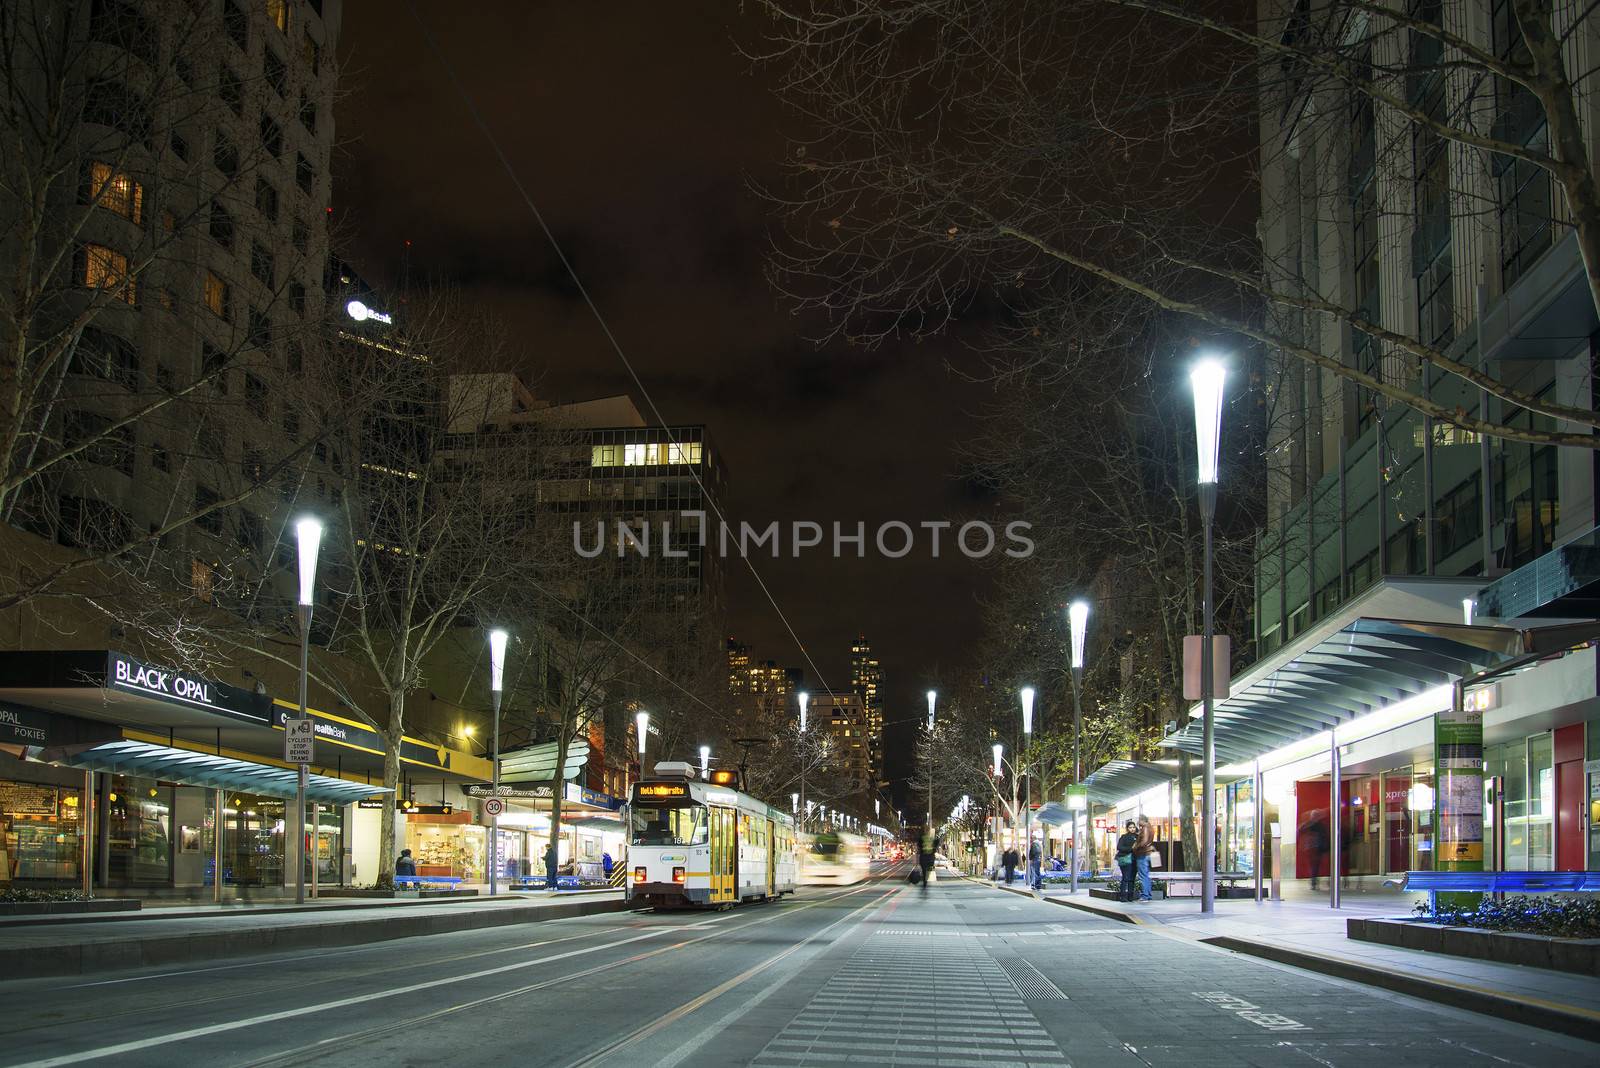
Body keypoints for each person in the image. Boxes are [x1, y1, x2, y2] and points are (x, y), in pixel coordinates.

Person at [1300, 812, 1329, 892]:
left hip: (1313, 848)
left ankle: (1314, 882)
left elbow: (1301, 829)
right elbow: (1324, 835)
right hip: (1316, 848)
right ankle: (1314, 882)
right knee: (1316, 866)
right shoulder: (1320, 825)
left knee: (1314, 866)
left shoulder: (1309, 824)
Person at [1132, 815, 1155, 901]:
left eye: (1139, 820)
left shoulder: (1145, 828)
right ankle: (1148, 894)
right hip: (1147, 853)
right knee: (1146, 875)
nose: (1138, 822)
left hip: (1143, 854)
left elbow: (1144, 841)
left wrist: (1135, 847)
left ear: (1142, 820)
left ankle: (1145, 895)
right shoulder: (1150, 828)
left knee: (1143, 875)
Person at [1115, 821, 1139, 901]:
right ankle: (1123, 896)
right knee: (1126, 877)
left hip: (1135, 860)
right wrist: (1130, 849)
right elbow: (1119, 847)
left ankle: (1130, 896)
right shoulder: (1124, 837)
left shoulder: (1138, 837)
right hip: (1125, 859)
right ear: (1127, 828)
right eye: (1130, 827)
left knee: (1132, 878)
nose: (1132, 829)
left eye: (1133, 827)